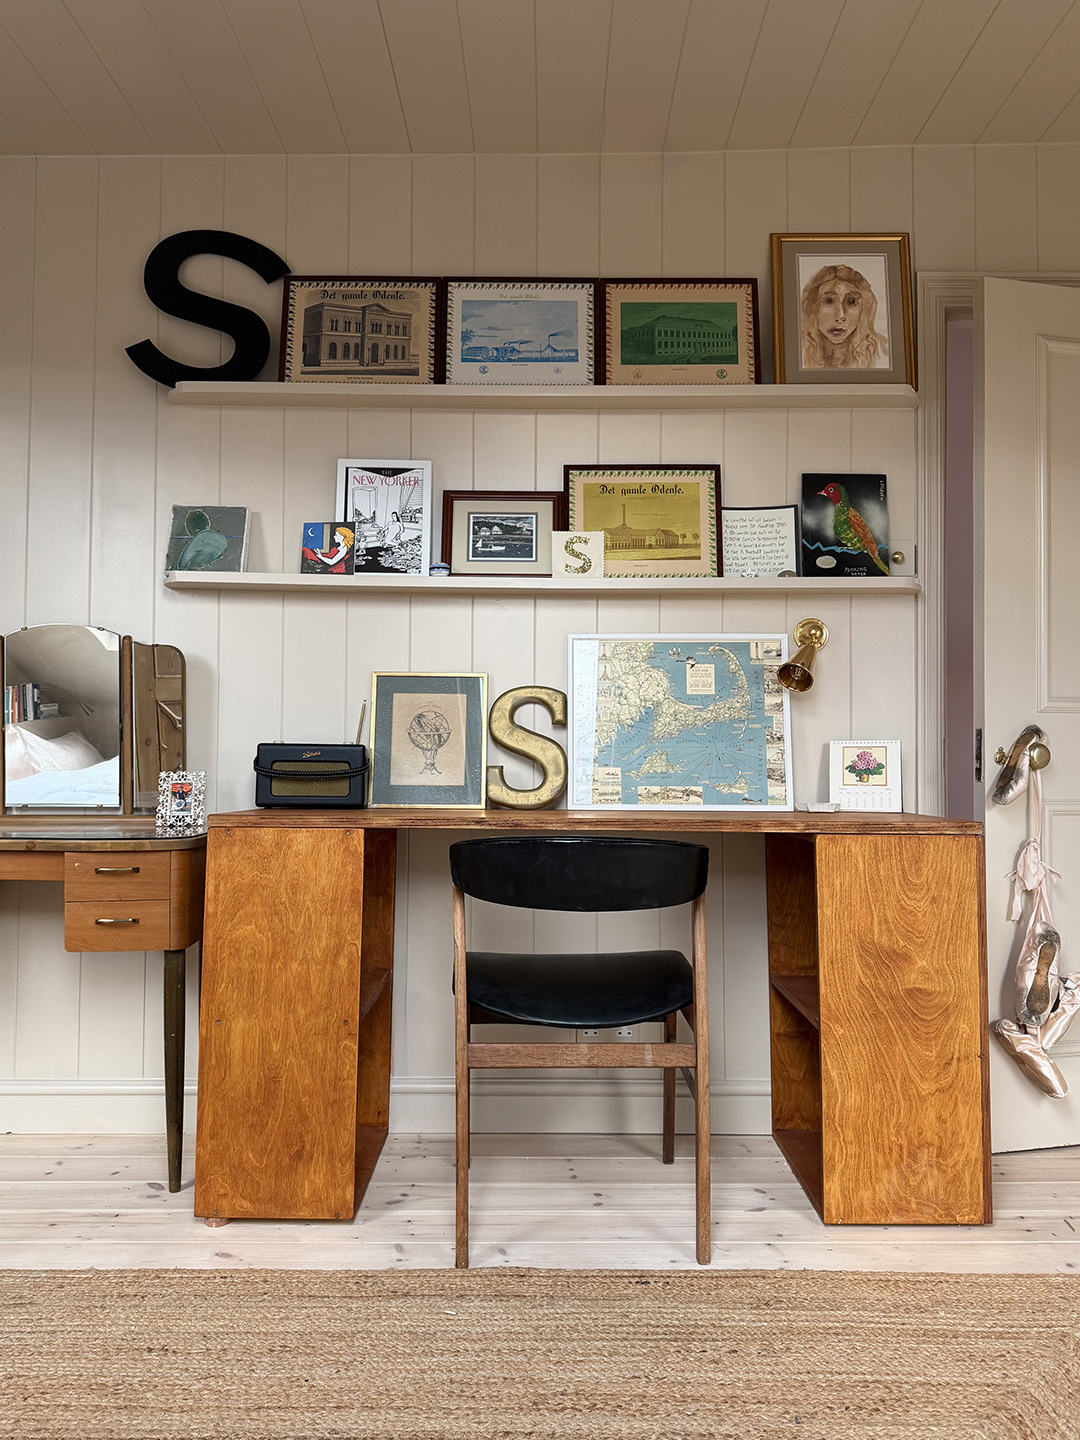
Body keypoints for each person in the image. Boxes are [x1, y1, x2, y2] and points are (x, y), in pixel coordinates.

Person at [800, 264, 888, 370]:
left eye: (852, 301)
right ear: (812, 306)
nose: (840, 316)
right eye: (829, 300)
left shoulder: (883, 352)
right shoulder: (795, 352)